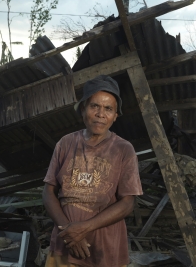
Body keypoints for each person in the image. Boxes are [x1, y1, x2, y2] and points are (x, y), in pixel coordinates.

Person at [42, 75, 143, 267]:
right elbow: (48, 192)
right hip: (64, 244)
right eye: (94, 106)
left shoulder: (123, 149)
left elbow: (128, 203)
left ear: (115, 116)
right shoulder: (65, 143)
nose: (100, 114)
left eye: (108, 109)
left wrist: (84, 228)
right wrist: (69, 233)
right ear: (83, 109)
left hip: (104, 249)